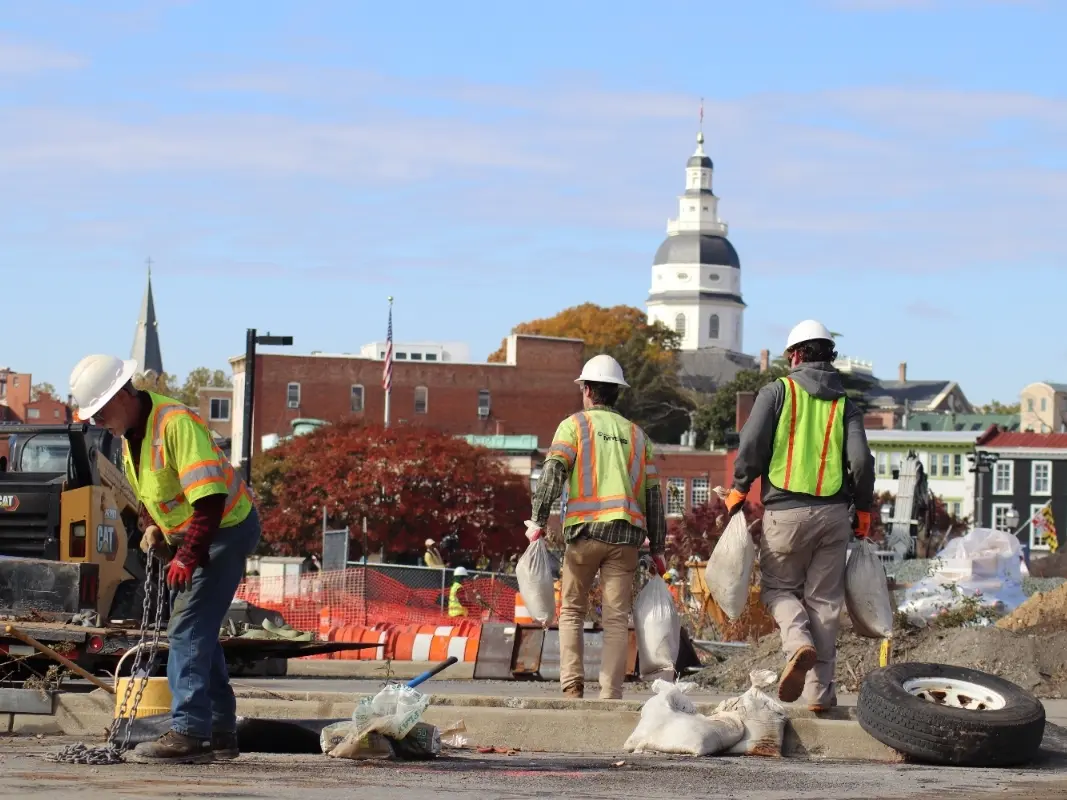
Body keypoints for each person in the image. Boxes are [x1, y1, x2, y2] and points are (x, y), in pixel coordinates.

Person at [69, 354, 261, 764]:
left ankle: (191, 732)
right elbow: (152, 493)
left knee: (187, 628)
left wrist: (187, 557)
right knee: (198, 630)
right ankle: (221, 732)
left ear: (123, 394)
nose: (98, 421)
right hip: (192, 534)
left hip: (224, 528)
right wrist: (152, 526)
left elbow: (209, 499)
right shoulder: (129, 436)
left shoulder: (176, 424)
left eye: (100, 411)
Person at [725, 320, 874, 712]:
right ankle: (820, 695)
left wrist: (741, 486)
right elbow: (860, 461)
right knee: (824, 602)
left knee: (778, 590)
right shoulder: (846, 404)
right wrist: (863, 510)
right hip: (834, 515)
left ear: (795, 355)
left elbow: (752, 443)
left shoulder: (778, 391)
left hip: (785, 514)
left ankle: (797, 642)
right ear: (830, 356)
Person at [527, 354, 667, 700]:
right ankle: (611, 693)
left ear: (587, 389)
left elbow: (552, 474)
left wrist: (537, 522)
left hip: (585, 535)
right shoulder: (638, 437)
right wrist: (660, 548)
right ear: (617, 392)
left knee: (572, 610)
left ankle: (572, 687)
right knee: (617, 618)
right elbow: (654, 498)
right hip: (626, 537)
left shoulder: (573, 426)